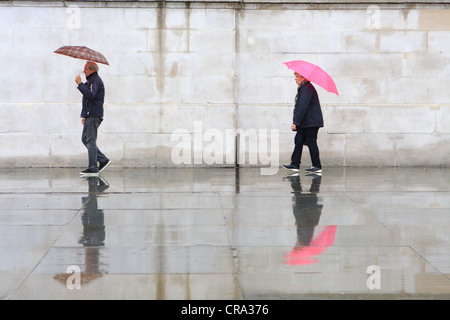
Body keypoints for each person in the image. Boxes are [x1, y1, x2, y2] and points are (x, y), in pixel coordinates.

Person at [283, 72, 323, 174]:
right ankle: (295, 164)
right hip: (307, 122)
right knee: (299, 139)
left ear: (303, 78)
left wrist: (295, 122)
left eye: (297, 77)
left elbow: (302, 107)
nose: (295, 79)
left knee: (311, 142)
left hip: (311, 122)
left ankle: (317, 166)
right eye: (295, 76)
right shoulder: (305, 88)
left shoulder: (307, 89)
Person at [75, 61, 111, 176]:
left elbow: (90, 95)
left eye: (85, 69)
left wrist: (80, 84)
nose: (84, 71)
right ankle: (103, 160)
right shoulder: (91, 81)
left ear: (92, 70)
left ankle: (93, 168)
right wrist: (85, 115)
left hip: (94, 115)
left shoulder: (96, 81)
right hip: (90, 115)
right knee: (85, 139)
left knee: (90, 141)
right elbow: (87, 99)